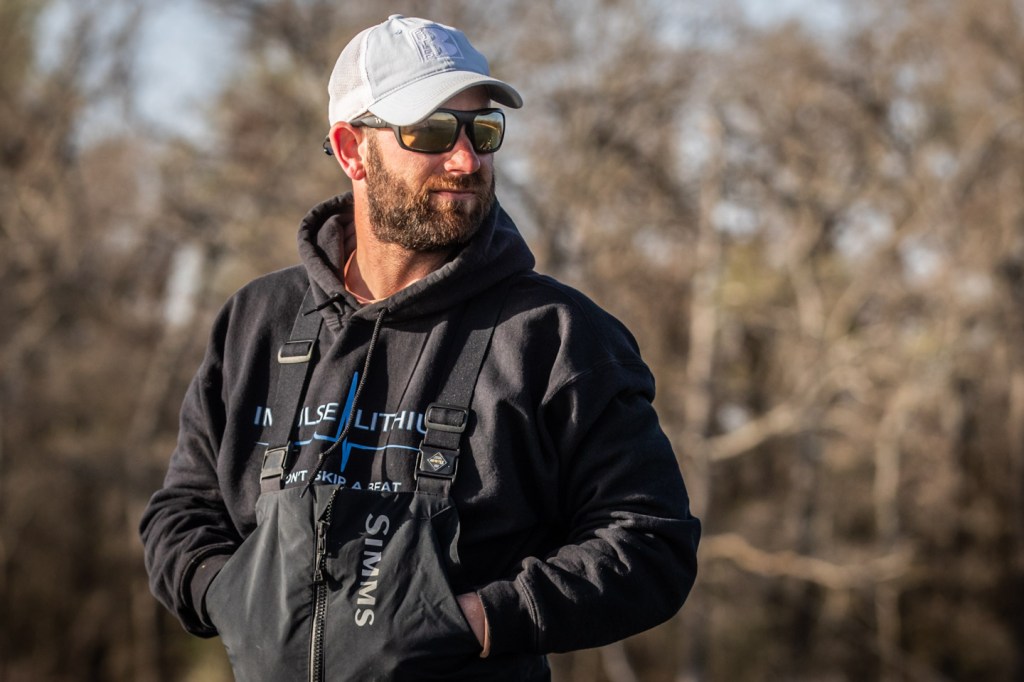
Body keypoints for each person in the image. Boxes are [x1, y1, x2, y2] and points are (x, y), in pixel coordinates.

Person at [140, 14, 700, 682]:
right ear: (351, 149)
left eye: (482, 131)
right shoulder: (256, 322)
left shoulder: (558, 337)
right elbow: (181, 513)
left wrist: (478, 619)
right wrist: (226, 596)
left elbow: (651, 541)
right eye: (432, 132)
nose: (467, 160)